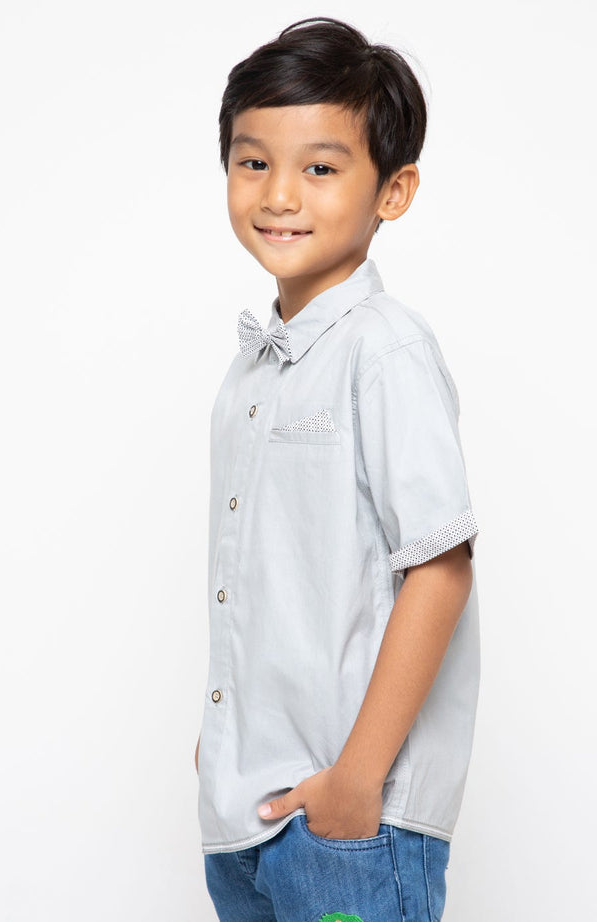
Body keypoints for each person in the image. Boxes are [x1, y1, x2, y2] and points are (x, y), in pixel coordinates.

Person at [195, 17, 480, 922]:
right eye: (253, 162)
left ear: (394, 190)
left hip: (352, 824)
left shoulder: (383, 350)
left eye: (320, 168)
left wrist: (357, 780)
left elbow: (440, 568)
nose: (280, 194)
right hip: (246, 813)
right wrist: (222, 738)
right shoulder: (250, 373)